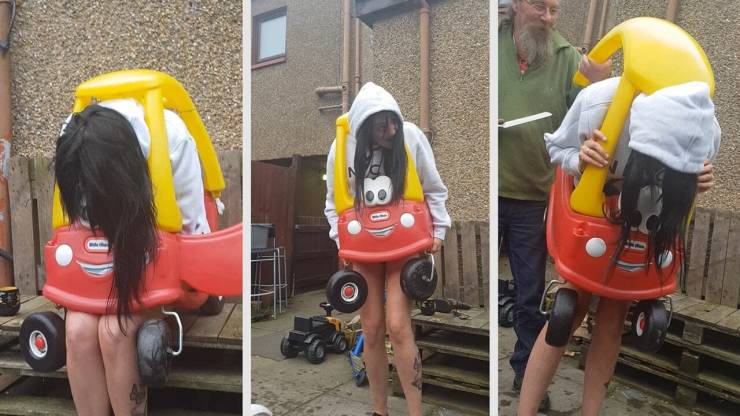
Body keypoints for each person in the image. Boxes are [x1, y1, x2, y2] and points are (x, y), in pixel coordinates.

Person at [517, 78, 720, 415]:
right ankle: (524, 410)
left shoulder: (703, 128)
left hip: (644, 227)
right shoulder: (599, 104)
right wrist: (578, 159)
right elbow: (555, 149)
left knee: (613, 318)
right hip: (597, 216)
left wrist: (694, 183)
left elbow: (687, 190)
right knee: (567, 315)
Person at [55, 99, 209, 416]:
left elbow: (195, 230)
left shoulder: (173, 140)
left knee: (115, 330)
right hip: (101, 263)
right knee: (78, 329)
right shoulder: (73, 137)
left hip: (151, 261)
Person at [498, 0, 611, 409]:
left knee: (528, 296)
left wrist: (600, 84)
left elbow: (592, 125)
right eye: (539, 7)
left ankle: (525, 377)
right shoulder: (490, 47)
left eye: (554, 10)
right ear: (515, 5)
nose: (547, 18)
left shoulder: (568, 59)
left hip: (533, 197)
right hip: (492, 190)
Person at [324, 82, 451, 416]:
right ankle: (379, 410)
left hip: (403, 243)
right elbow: (331, 203)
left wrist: (439, 229)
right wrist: (342, 242)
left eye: (392, 122)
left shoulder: (409, 137)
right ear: (364, 127)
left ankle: (415, 412)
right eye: (382, 126)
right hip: (364, 246)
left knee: (397, 325)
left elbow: (434, 187)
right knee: (371, 328)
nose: (391, 131)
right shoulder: (341, 148)